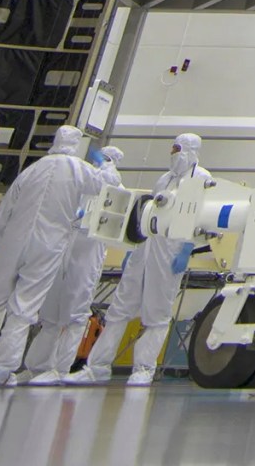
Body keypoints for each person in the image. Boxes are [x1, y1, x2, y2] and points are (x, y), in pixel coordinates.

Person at [0, 125, 101, 386]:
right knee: (23, 308)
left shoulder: (34, 169)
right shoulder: (78, 168)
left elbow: (7, 205)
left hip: (12, 242)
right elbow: (105, 187)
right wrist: (102, 165)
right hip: (47, 247)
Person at [76, 133, 209, 386]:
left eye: (178, 148)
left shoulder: (201, 178)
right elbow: (149, 213)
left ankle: (144, 368)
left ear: (192, 150)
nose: (173, 153)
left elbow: (200, 217)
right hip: (146, 247)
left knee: (157, 311)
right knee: (120, 306)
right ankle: (97, 366)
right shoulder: (164, 179)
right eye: (172, 148)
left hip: (171, 251)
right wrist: (132, 248)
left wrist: (187, 249)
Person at [27, 145, 122, 384]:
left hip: (88, 253)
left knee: (75, 312)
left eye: (107, 160)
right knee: (50, 311)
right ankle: (37, 367)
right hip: (66, 246)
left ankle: (59, 369)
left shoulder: (115, 188)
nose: (101, 163)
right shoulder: (84, 182)